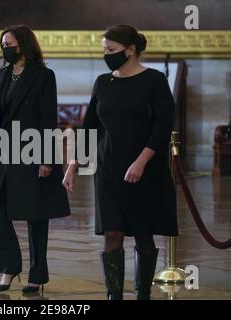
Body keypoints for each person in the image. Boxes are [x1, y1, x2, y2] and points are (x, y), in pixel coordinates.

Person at [63, 25, 178, 300]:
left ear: (130, 50)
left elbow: (163, 126)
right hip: (108, 170)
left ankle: (143, 293)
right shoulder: (103, 82)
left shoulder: (154, 80)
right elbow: (89, 126)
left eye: (111, 50)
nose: (106, 55)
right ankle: (113, 294)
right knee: (111, 233)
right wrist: (73, 164)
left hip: (144, 169)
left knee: (143, 234)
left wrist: (141, 161)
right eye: (104, 49)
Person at [0, 25, 70, 294]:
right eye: (3, 44)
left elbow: (48, 118)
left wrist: (47, 158)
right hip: (3, 151)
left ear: (24, 45)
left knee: (35, 216)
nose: (6, 49)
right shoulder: (1, 74)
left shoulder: (43, 76)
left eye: (11, 44)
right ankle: (9, 267)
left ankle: (36, 275)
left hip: (32, 151)